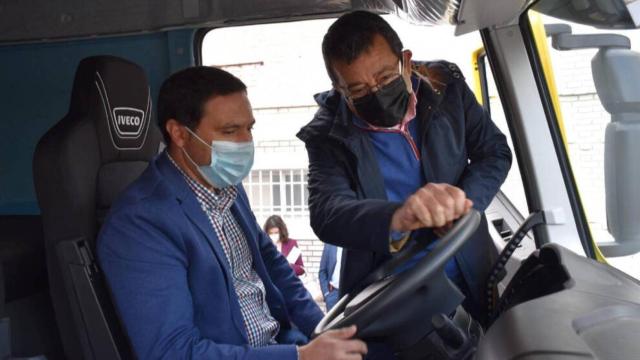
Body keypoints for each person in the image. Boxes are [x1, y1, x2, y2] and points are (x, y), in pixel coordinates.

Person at [97, 66, 368, 359]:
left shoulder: (228, 187)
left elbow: (273, 266)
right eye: (229, 131)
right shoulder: (141, 223)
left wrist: (323, 328)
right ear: (179, 133)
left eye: (248, 128)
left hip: (281, 341)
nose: (245, 142)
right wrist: (299, 357)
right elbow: (172, 352)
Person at [297, 10, 512, 333]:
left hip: (471, 273)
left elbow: (494, 152)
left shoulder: (445, 88)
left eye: (384, 78)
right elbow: (327, 212)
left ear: (406, 61)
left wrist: (463, 203)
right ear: (338, 88)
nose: (376, 94)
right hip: (390, 296)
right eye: (357, 89)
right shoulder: (327, 134)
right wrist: (398, 217)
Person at [318, 244, 342, 311]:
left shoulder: (355, 242)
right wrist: (326, 293)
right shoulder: (330, 244)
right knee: (333, 321)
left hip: (351, 295)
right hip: (333, 294)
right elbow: (322, 271)